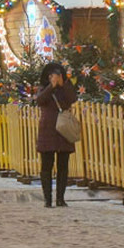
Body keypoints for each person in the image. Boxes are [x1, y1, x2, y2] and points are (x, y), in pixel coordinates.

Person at [35, 61, 78, 208]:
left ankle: (61, 198)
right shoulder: (43, 88)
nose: (56, 77)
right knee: (46, 166)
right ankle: (48, 199)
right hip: (48, 129)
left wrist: (63, 84)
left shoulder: (66, 87)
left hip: (63, 130)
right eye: (53, 75)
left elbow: (73, 98)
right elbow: (39, 100)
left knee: (63, 166)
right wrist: (50, 87)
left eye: (59, 75)